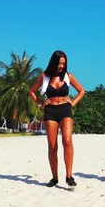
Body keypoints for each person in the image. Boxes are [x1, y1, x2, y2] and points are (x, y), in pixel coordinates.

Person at [29, 50, 85, 188]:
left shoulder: (68, 76)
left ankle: (69, 176)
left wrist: (73, 102)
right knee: (53, 146)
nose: (61, 66)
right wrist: (40, 104)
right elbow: (31, 91)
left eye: (64, 64)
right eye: (59, 63)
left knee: (67, 140)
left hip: (65, 110)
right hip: (50, 112)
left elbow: (81, 90)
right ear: (54, 62)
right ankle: (54, 178)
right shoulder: (45, 77)